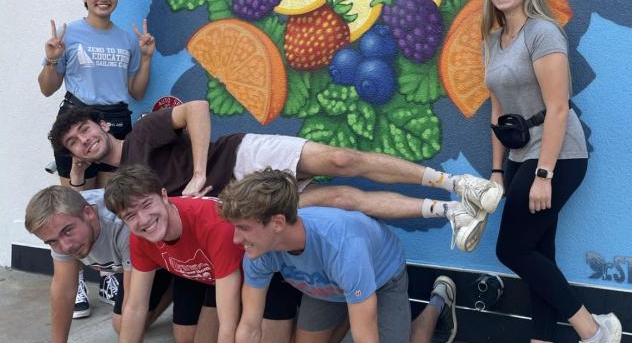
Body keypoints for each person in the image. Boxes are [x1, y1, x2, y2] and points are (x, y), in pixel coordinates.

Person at [48, 100, 505, 253]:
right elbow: (71, 206)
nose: (83, 140)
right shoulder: (109, 184)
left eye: (85, 129)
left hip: (243, 157)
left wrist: (200, 172)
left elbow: (199, 110)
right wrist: (78, 171)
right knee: (342, 199)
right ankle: (450, 213)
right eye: (73, 142)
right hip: (241, 205)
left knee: (344, 161)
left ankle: (458, 183)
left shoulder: (145, 130)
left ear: (102, 125)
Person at [481, 0, 621, 343]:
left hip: (560, 156)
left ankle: (593, 331)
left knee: (512, 249)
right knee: (540, 255)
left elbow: (558, 108)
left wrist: (543, 175)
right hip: (523, 155)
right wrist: (497, 171)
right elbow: (498, 109)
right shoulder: (493, 38)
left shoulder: (542, 33)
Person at [217, 168, 457, 343]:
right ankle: (350, 309)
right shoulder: (258, 249)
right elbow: (249, 327)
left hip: (379, 277)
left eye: (243, 227)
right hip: (325, 285)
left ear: (277, 223)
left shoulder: (343, 246)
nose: (235, 239)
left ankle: (437, 303)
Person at [72, 165, 299, 343]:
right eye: (131, 216)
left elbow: (228, 323)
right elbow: (136, 307)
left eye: (147, 204)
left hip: (263, 276)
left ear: (164, 195)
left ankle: (304, 307)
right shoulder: (140, 238)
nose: (143, 220)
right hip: (213, 278)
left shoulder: (213, 224)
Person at [38, 0, 155, 312]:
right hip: (76, 122)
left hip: (116, 122)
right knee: (72, 205)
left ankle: (109, 272)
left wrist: (145, 58)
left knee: (112, 205)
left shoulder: (125, 39)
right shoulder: (67, 34)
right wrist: (51, 59)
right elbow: (47, 89)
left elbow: (135, 91)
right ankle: (74, 284)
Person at [22, 186, 171, 343]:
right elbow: (64, 290)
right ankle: (172, 288)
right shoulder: (59, 226)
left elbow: (134, 304)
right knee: (121, 325)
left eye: (68, 231)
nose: (65, 247)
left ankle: (177, 278)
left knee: (191, 341)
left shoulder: (121, 224)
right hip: (143, 267)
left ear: (88, 213)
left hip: (173, 257)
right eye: (52, 242)